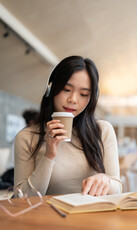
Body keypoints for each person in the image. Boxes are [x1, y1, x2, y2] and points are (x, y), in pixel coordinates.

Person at [14, 56, 122, 197]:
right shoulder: (26, 137)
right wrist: (49, 155)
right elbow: (21, 199)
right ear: (50, 89)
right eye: (66, 89)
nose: (73, 99)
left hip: (92, 217)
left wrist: (106, 181)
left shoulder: (103, 130)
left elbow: (117, 188)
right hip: (47, 218)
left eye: (83, 94)